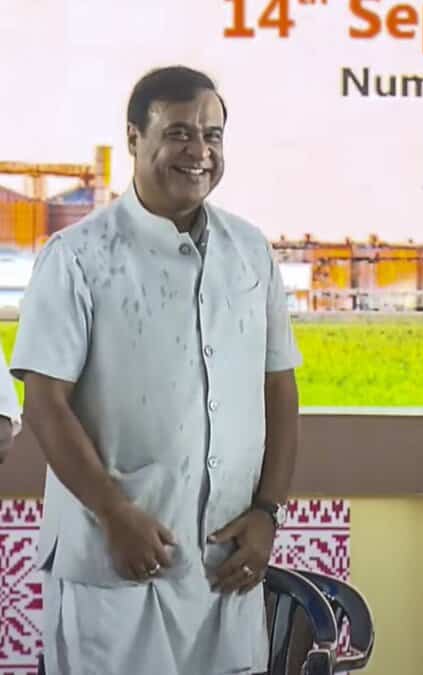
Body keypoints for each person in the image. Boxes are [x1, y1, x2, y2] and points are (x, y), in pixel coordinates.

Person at [12, 66, 302, 674]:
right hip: (114, 563)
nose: (199, 152)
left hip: (226, 566)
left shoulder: (250, 250)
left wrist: (267, 512)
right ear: (134, 138)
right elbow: (44, 404)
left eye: (214, 136)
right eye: (178, 133)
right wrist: (115, 514)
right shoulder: (78, 258)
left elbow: (279, 386)